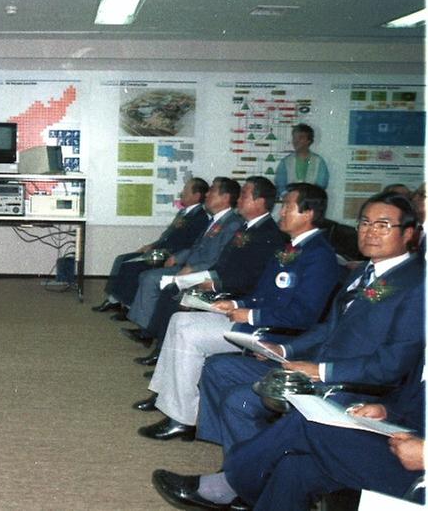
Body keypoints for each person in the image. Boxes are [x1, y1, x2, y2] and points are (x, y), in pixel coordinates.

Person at [195, 191, 424, 457]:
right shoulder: (364, 271)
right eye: (364, 223)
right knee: (219, 367)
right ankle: (233, 455)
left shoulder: (416, 284)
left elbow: (391, 365)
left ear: (409, 234)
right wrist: (285, 350)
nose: (370, 232)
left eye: (383, 225)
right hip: (313, 365)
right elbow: (329, 327)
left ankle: (240, 477)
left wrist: (320, 370)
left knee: (240, 401)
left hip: (353, 385)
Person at [134, 184, 342, 443]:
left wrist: (250, 315)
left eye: (288, 205)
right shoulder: (292, 247)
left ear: (309, 213)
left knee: (189, 334)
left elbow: (304, 315)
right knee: (179, 319)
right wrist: (236, 305)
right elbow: (262, 293)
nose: (281, 211)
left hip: (270, 332)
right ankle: (166, 396)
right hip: (253, 319)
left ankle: (182, 419)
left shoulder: (319, 256)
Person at [153, 359, 425, 511]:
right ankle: (233, 488)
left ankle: (229, 484)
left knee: (308, 423)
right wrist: (385, 410)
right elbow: (414, 400)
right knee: (296, 467)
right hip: (406, 438)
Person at [123, 176, 286, 351]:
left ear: (259, 202)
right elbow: (223, 260)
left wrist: (212, 283)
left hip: (232, 290)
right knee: (173, 288)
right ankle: (157, 342)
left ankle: (160, 345)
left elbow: (251, 275)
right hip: (218, 278)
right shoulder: (247, 226)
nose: (238, 199)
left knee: (174, 291)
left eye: (243, 195)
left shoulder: (267, 233)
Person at [121, 177, 243, 345]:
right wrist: (178, 258)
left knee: (153, 280)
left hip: (204, 273)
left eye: (212, 191)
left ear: (225, 198)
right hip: (189, 266)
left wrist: (193, 268)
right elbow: (195, 247)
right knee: (148, 276)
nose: (207, 194)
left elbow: (219, 257)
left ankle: (149, 332)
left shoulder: (232, 224)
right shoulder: (216, 220)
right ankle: (147, 329)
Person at [92, 178, 210, 314]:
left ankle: (127, 306)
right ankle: (115, 300)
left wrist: (173, 256)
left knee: (132, 266)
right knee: (123, 259)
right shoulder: (183, 213)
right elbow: (167, 236)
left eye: (185, 190)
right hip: (160, 250)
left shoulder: (200, 218)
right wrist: (151, 245)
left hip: (170, 256)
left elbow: (191, 245)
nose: (182, 192)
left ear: (196, 196)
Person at [274, 124, 329, 193]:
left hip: (311, 201)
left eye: (300, 138)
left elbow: (321, 186)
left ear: (309, 140)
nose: (296, 141)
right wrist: (287, 197)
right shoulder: (286, 162)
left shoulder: (319, 162)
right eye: (294, 138)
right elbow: (280, 185)